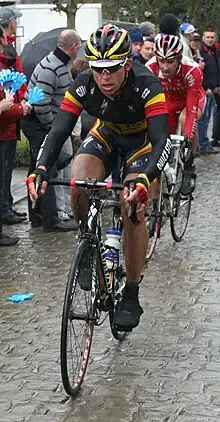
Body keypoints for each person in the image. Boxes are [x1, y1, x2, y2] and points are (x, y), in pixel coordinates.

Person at [27, 24, 171, 332]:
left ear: (127, 64)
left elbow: (162, 141)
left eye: (112, 69)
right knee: (79, 181)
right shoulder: (83, 83)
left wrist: (146, 179)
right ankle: (89, 243)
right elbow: (59, 129)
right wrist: (40, 168)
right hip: (106, 137)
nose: (104, 77)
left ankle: (131, 292)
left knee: (130, 204)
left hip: (142, 145)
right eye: (98, 69)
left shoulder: (148, 84)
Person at [22, 29, 81, 231]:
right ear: (73, 47)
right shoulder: (52, 68)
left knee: (37, 167)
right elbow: (42, 102)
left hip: (41, 123)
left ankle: (38, 216)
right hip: (39, 124)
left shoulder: (59, 63)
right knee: (48, 167)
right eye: (79, 46)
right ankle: (50, 219)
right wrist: (53, 128)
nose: (80, 49)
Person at [147, 35, 206, 195]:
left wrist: (187, 135)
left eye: (170, 62)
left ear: (179, 59)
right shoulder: (150, 68)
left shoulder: (192, 69)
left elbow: (192, 109)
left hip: (192, 97)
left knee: (185, 119)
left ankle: (189, 166)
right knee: (166, 129)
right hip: (169, 98)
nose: (165, 67)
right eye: (162, 61)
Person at [0, 25, 30, 246]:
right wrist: (20, 109)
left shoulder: (7, 61)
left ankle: (6, 210)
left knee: (5, 176)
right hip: (4, 127)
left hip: (8, 127)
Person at [199, 28, 220, 151]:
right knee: (204, 119)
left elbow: (215, 70)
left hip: (213, 88)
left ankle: (205, 143)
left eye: (212, 37)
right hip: (206, 90)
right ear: (203, 38)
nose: (210, 39)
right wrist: (206, 87)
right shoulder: (201, 52)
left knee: (208, 117)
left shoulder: (214, 51)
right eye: (208, 37)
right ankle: (203, 145)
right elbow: (201, 73)